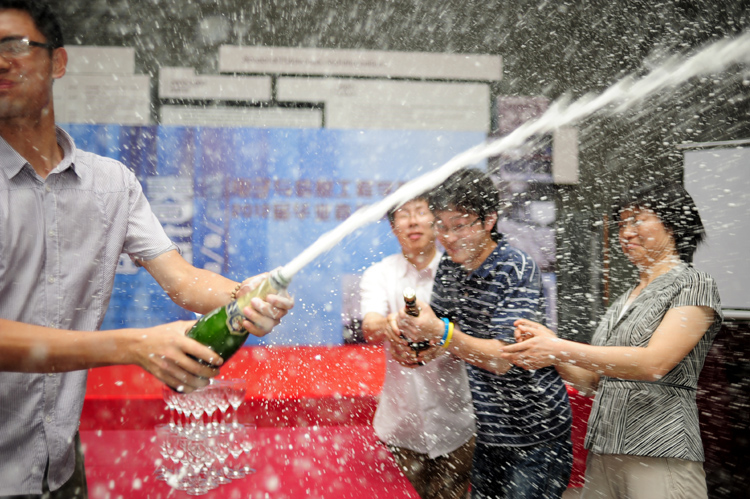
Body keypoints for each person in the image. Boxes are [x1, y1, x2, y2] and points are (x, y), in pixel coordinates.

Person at [0, 1, 293, 496]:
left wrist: (245, 297)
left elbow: (182, 280)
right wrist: (133, 346)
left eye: (15, 45)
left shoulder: (111, 184)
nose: (1, 60)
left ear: (58, 62)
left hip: (59, 464)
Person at [501, 180, 722, 498]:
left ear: (673, 224)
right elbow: (593, 380)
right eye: (621, 224)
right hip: (604, 449)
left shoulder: (694, 283)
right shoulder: (624, 299)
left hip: (660, 448)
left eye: (637, 221)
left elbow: (654, 364)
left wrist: (559, 347)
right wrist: (551, 353)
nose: (625, 233)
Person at [390, 168, 573, 499]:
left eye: (459, 225)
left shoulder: (516, 268)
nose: (448, 237)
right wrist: (414, 341)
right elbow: (444, 336)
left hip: (535, 433)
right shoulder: (449, 268)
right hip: (486, 430)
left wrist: (440, 332)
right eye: (441, 226)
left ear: (489, 220)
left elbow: (503, 358)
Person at [359, 196, 476, 499]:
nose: (412, 221)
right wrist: (391, 324)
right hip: (402, 426)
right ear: (393, 227)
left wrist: (441, 334)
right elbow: (370, 327)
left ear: (436, 221)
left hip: (456, 422)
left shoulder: (460, 270)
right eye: (403, 215)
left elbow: (473, 333)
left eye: (421, 212)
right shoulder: (379, 274)